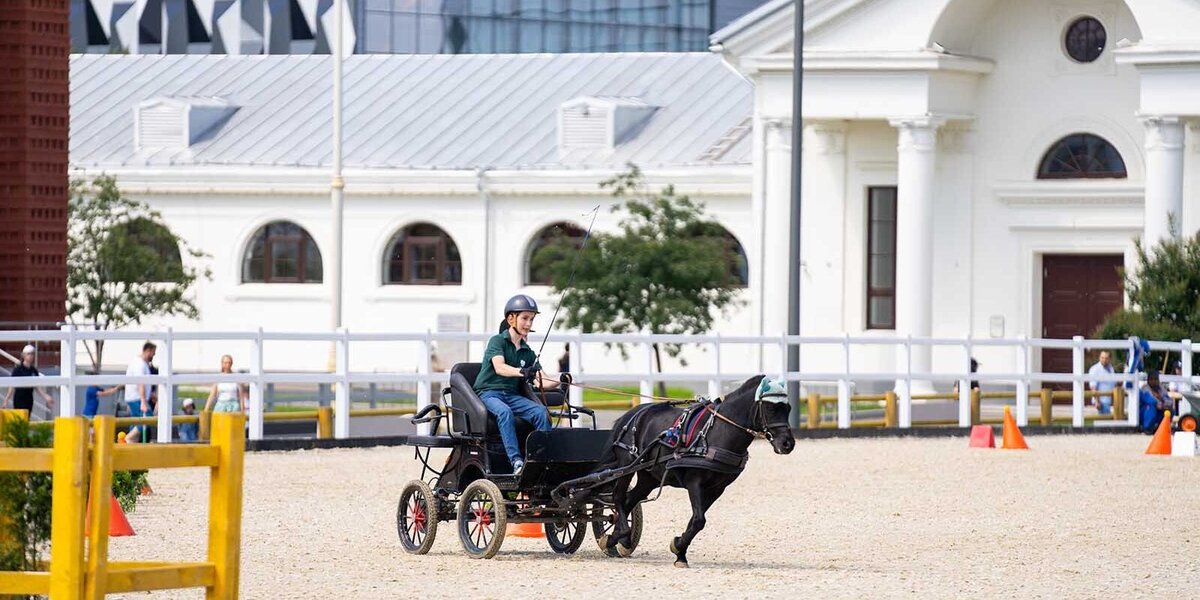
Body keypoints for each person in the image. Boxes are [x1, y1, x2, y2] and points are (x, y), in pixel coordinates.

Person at [473, 295, 563, 475]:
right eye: (525, 318)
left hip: (512, 395)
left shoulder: (527, 352)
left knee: (540, 412)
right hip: (489, 393)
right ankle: (516, 461)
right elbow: (499, 367)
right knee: (504, 412)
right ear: (510, 319)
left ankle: (541, 459)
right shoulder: (497, 341)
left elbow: (541, 380)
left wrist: (563, 380)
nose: (529, 324)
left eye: (531, 319)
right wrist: (522, 372)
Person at [3, 345, 54, 416]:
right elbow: (12, 386)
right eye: (28, 354)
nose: (31, 356)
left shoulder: (34, 370)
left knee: (27, 419)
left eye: (32, 354)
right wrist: (6, 400)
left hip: (29, 399)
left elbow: (37, 387)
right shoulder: (18, 370)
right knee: (20, 420)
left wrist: (46, 397)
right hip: (19, 399)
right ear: (23, 355)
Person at [124, 342, 156, 442]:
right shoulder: (140, 364)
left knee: (136, 423)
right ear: (148, 351)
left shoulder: (138, 363)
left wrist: (150, 394)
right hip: (137, 398)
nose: (153, 356)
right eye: (153, 353)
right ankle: (128, 438)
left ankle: (130, 445)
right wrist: (143, 401)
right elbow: (140, 382)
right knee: (148, 418)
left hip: (135, 397)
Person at [1138, 369, 1172, 434]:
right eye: (1151, 379)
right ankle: (1147, 428)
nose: (1153, 381)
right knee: (1151, 406)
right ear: (1148, 380)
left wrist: (1162, 400)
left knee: (1170, 410)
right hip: (1144, 413)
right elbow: (1151, 401)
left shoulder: (1161, 388)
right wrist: (1161, 404)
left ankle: (1161, 428)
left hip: (1160, 409)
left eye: (1155, 379)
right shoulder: (1144, 388)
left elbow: (1170, 401)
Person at [1087, 350, 1116, 414]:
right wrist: (1097, 402)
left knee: (1106, 422)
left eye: (1106, 358)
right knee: (1104, 422)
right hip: (1101, 403)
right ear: (1099, 357)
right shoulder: (1095, 369)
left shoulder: (1111, 369)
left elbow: (1113, 385)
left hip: (1108, 401)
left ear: (1109, 359)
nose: (1104, 360)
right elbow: (1093, 387)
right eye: (1102, 357)